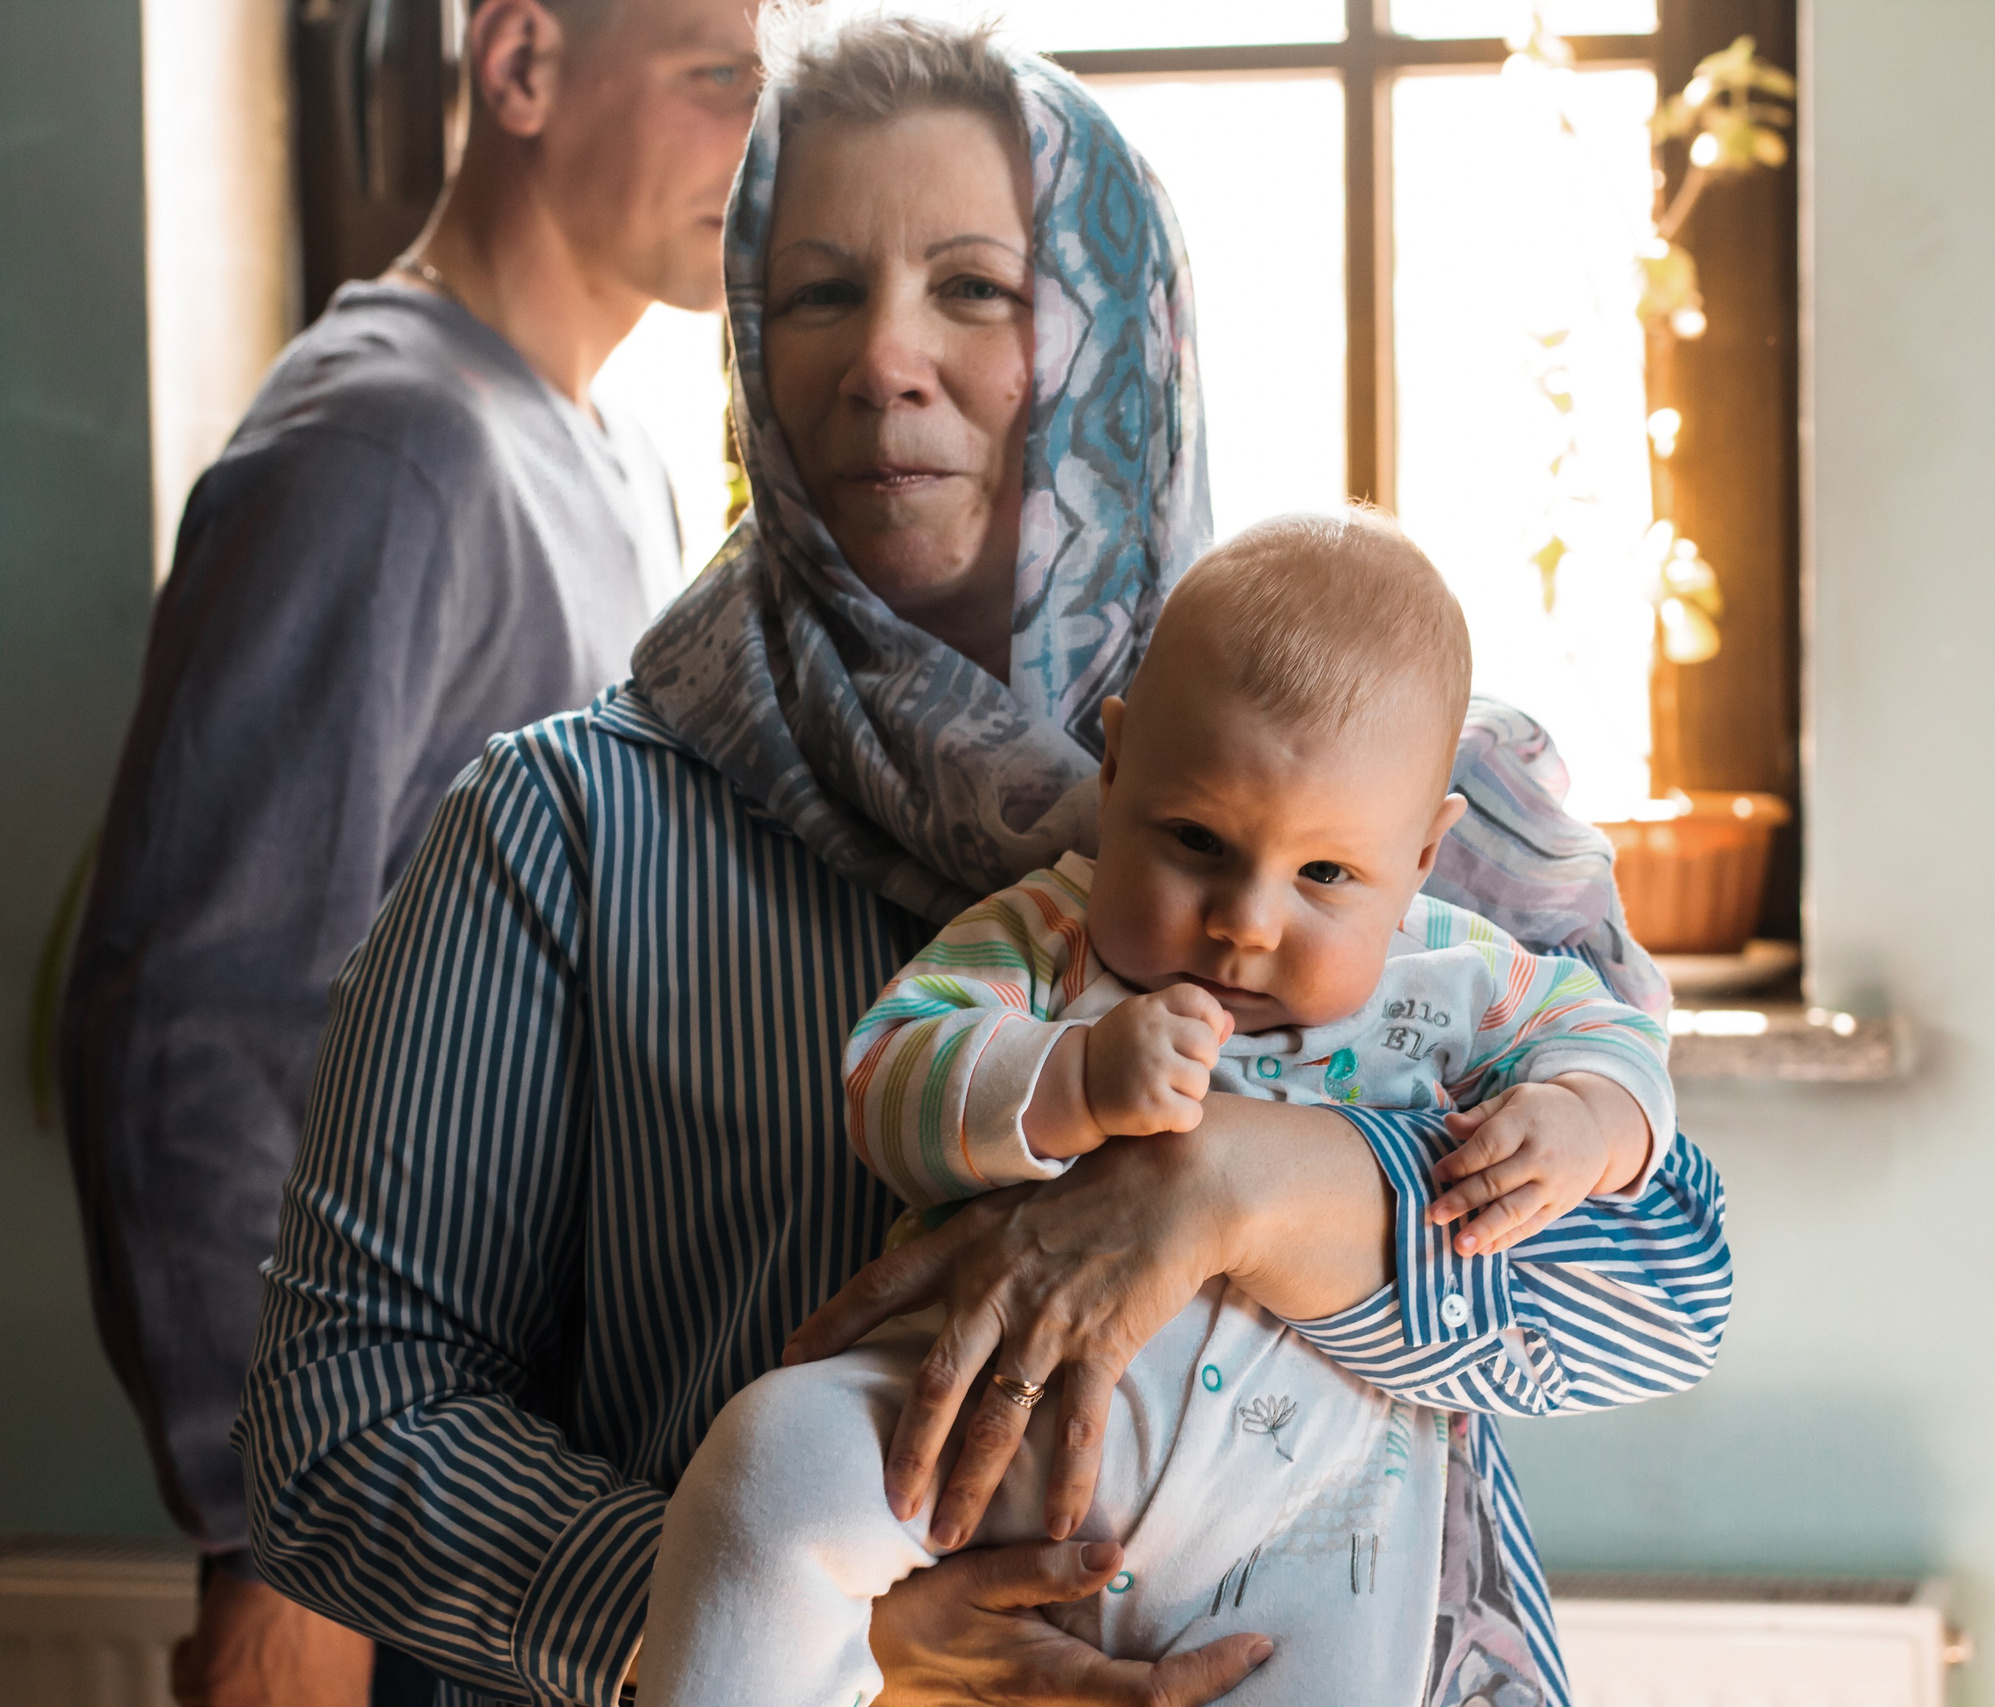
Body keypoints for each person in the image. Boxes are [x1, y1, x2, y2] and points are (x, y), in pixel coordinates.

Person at [234, 14, 1732, 1707]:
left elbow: (1666, 1295)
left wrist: (1238, 1186)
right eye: (814, 292)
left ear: (1119, 333)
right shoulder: (561, 834)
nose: (885, 358)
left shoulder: (1427, 789)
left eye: (977, 288)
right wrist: (794, 1627)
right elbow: (337, 1421)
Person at [639, 510, 1688, 1705]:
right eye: (1195, 839)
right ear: (1120, 764)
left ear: (1422, 855)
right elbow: (889, 1074)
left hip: (1305, 1534)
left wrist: (1591, 1120)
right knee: (763, 1470)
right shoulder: (1050, 932)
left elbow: (1608, 1039)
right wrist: (1066, 1079)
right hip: (972, 1451)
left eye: (1327, 875)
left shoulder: (1463, 976)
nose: (1245, 918)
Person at [55, 0, 759, 1701]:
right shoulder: (383, 452)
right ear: (519, 67)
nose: (759, 147)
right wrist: (267, 1535)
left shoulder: (611, 453)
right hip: (386, 1511)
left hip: (543, 1481)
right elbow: (188, 1034)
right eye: (714, 80)